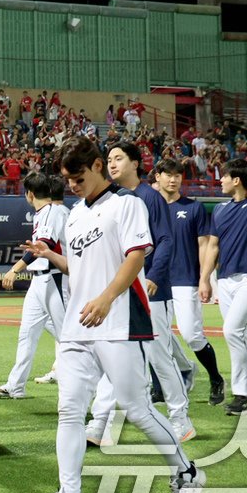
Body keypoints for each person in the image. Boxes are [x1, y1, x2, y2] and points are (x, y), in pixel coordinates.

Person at [26, 136, 203, 493]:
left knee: (136, 408)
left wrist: (106, 298)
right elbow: (80, 268)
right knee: (69, 411)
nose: (71, 185)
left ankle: (187, 472)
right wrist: (52, 256)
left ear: (96, 167)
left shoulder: (128, 204)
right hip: (77, 325)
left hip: (118, 321)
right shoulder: (74, 215)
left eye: (77, 177)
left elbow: (136, 256)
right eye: (67, 180)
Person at [85, 142, 194, 444]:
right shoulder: (112, 199)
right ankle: (100, 423)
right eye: (109, 159)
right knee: (112, 354)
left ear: (135, 162)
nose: (112, 163)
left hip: (150, 290)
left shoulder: (149, 196)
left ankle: (180, 418)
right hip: (121, 291)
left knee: (159, 355)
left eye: (119, 158)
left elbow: (165, 240)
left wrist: (155, 277)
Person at [199, 159, 247, 415]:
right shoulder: (220, 210)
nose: (220, 181)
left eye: (224, 176)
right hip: (226, 279)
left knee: (232, 331)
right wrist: (205, 278)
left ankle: (241, 393)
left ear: (237, 180)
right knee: (243, 336)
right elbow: (213, 246)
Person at [153, 159, 226, 404]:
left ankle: (216, 378)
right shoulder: (148, 207)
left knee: (192, 334)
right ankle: (160, 386)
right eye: (168, 175)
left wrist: (205, 279)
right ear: (158, 176)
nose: (173, 180)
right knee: (154, 336)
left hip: (185, 278)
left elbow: (204, 245)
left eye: (177, 175)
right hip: (156, 279)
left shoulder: (193, 208)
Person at [0, 173, 68, 400]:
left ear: (30, 194)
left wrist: (14, 269)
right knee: (27, 332)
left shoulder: (54, 212)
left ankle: (90, 388)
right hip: (39, 281)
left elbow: (42, 246)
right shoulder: (42, 213)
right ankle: (15, 386)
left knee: (68, 338)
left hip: (56, 278)